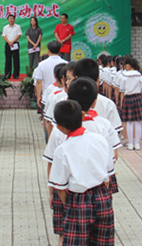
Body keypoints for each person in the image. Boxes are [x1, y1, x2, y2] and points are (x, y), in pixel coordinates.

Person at [48, 100, 115, 246]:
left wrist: (70, 206)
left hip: (78, 200)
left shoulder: (62, 150)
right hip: (102, 197)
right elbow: (109, 174)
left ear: (59, 127)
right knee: (103, 241)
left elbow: (60, 187)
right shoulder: (100, 140)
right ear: (83, 116)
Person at [34, 41, 67, 109]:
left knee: (47, 114)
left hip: (47, 95)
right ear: (59, 50)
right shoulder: (66, 64)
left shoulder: (42, 64)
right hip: (63, 95)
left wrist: (38, 97)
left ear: (48, 50)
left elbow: (39, 82)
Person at [2, 14, 22, 80]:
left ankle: (16, 75)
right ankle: (7, 74)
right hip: (8, 44)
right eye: (9, 19)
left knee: (16, 59)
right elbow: (4, 35)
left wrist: (12, 41)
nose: (11, 20)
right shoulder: (5, 27)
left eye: (12, 18)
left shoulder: (18, 27)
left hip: (15, 43)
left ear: (14, 19)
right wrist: (9, 42)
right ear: (8, 20)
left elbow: (19, 35)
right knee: (8, 59)